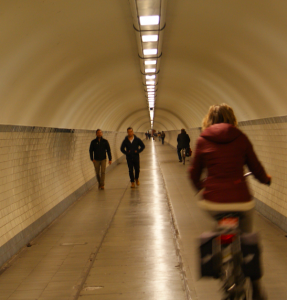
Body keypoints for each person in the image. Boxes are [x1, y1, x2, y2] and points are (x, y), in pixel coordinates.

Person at [189, 104, 271, 300]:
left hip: (213, 201)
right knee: (247, 234)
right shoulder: (240, 137)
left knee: (219, 224)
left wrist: (202, 187)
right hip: (240, 200)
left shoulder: (203, 139)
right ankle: (256, 285)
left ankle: (219, 257)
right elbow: (256, 167)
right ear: (232, 118)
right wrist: (265, 179)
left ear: (209, 120)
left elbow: (193, 173)